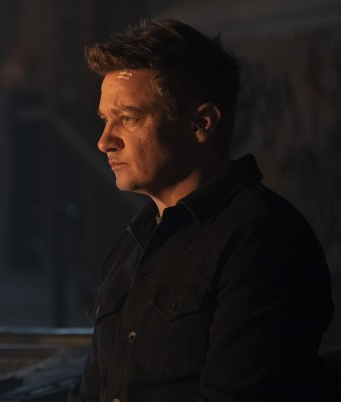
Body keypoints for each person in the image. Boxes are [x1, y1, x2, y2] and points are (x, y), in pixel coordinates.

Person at [70, 18, 334, 402]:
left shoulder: (261, 239)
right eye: (105, 120)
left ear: (201, 123)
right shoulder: (132, 246)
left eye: (128, 118)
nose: (104, 141)